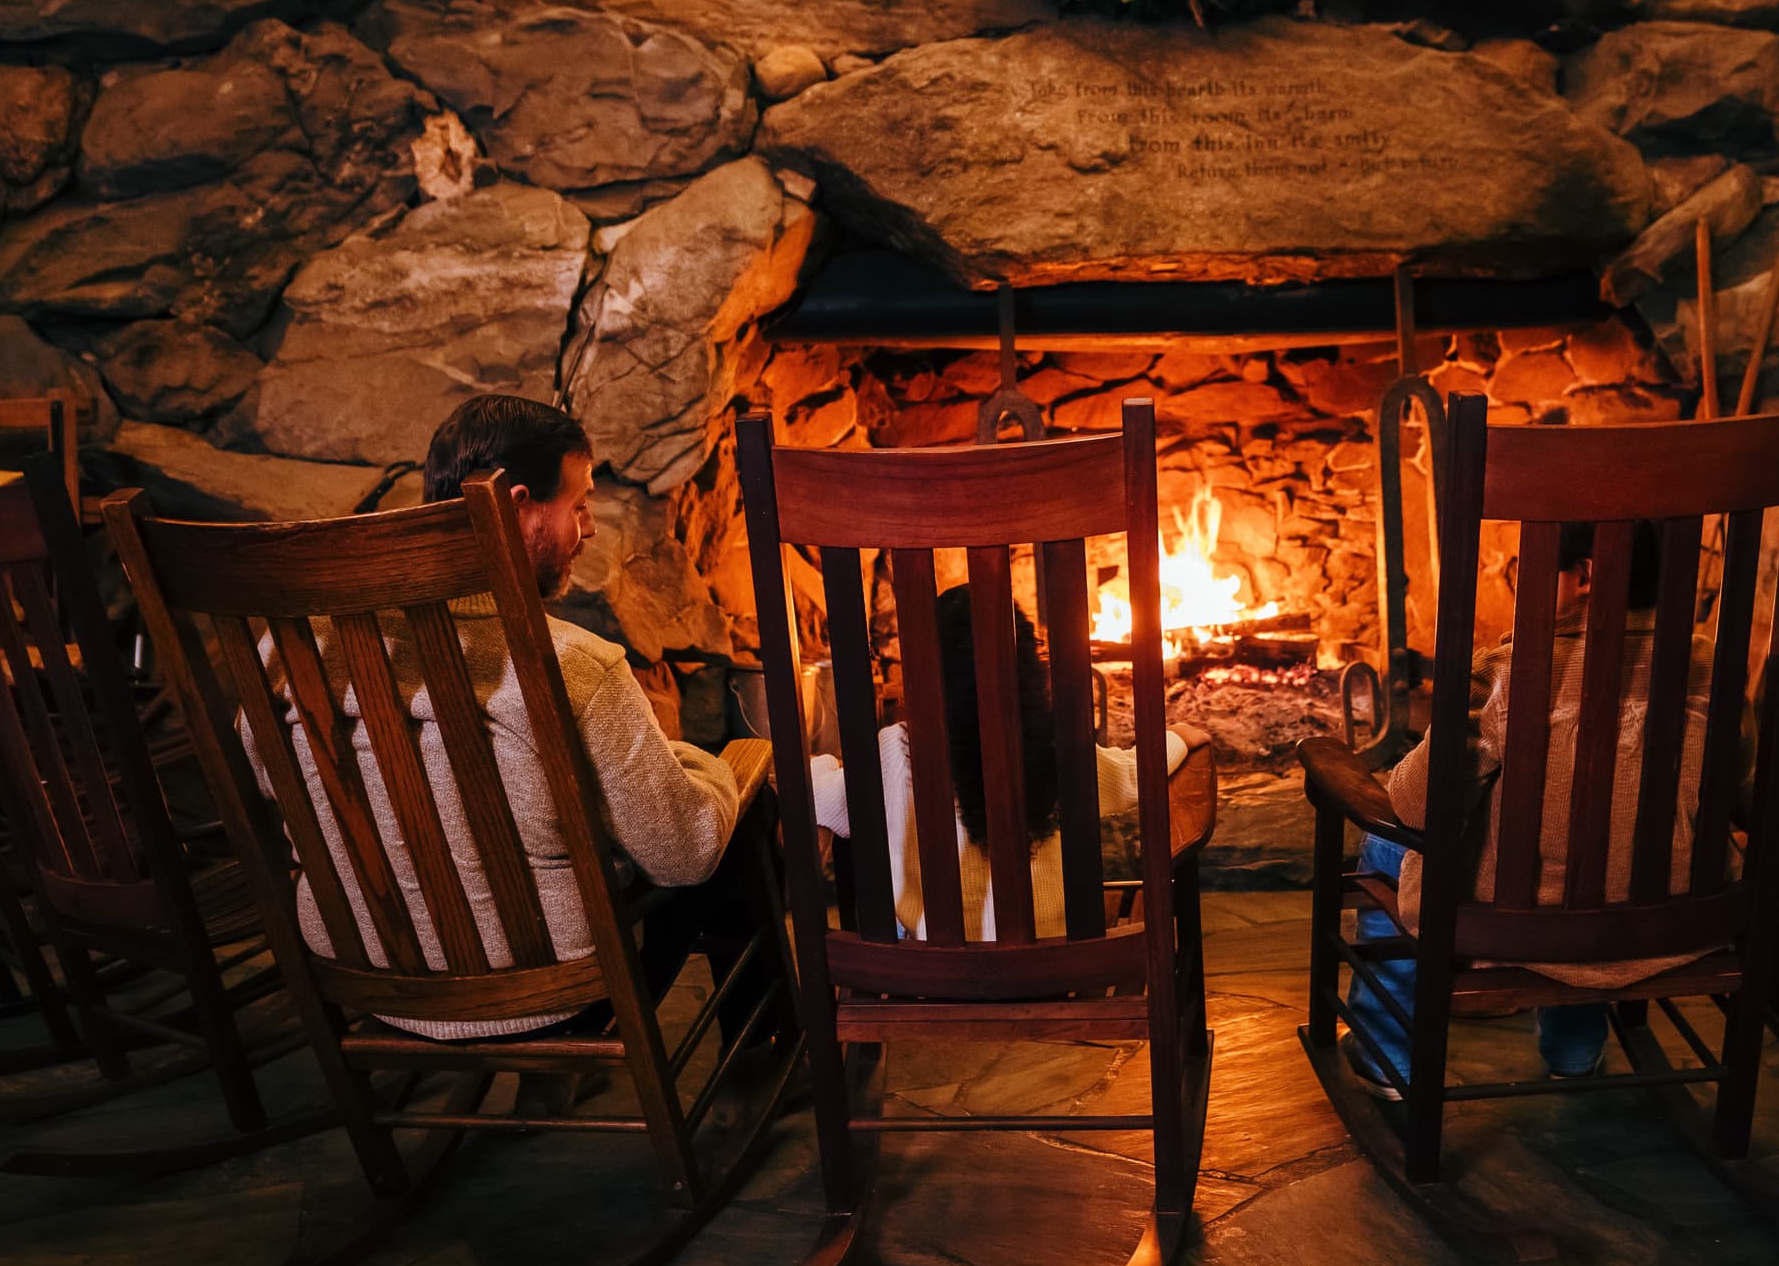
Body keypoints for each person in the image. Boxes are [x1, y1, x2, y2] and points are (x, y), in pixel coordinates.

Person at [265, 395, 774, 1045]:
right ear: (518, 505)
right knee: (739, 815)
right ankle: (766, 1052)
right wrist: (712, 764)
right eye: (579, 505)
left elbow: (274, 786)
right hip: (549, 994)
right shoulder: (574, 665)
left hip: (366, 978)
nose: (588, 529)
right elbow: (686, 852)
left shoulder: (298, 652)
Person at [1346, 521, 1716, 1093]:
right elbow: (1736, 781)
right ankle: (1574, 1053)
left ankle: (1387, 1056)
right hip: (1676, 910)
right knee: (1601, 855)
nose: (1526, 582)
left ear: (1586, 575)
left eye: (1531, 567)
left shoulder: (1507, 671)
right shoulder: (1709, 665)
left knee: (1386, 844)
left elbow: (1418, 806)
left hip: (1520, 921)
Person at [809, 586, 1200, 941]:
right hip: (1054, 967)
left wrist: (826, 764)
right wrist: (1181, 735)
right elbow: (1135, 772)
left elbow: (819, 795)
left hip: (934, 973)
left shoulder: (894, 752)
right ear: (1027, 669)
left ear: (922, 673)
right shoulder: (1054, 748)